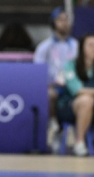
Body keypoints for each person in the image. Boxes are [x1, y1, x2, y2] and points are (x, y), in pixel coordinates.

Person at [33, 8, 79, 150]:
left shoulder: (76, 45)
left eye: (66, 20)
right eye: (60, 20)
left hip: (73, 85)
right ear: (53, 23)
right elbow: (38, 71)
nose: (64, 23)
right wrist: (48, 84)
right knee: (49, 95)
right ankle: (55, 125)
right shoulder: (44, 47)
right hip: (53, 86)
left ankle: (74, 130)